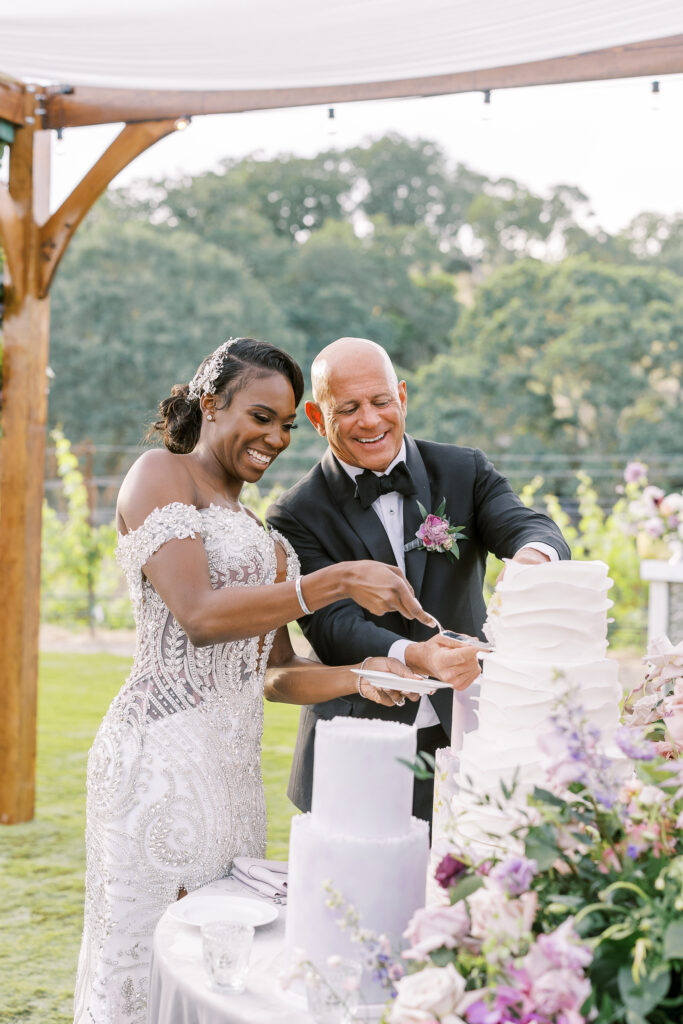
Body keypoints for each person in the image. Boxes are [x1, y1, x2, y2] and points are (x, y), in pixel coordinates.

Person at [73, 337, 433, 1024]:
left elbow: (276, 675)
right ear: (211, 404)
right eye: (261, 416)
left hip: (233, 778)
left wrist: (364, 674)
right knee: (147, 947)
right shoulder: (160, 475)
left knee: (218, 958)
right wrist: (332, 583)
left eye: (289, 424)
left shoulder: (266, 538)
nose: (275, 437)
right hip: (158, 761)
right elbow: (201, 615)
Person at [267, 337, 571, 822]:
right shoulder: (295, 513)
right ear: (317, 417)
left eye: (381, 401)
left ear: (402, 397)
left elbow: (530, 526)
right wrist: (416, 656)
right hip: (358, 741)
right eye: (348, 408)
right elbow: (332, 627)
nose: (370, 420)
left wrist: (531, 559)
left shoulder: (463, 469)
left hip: (472, 732)